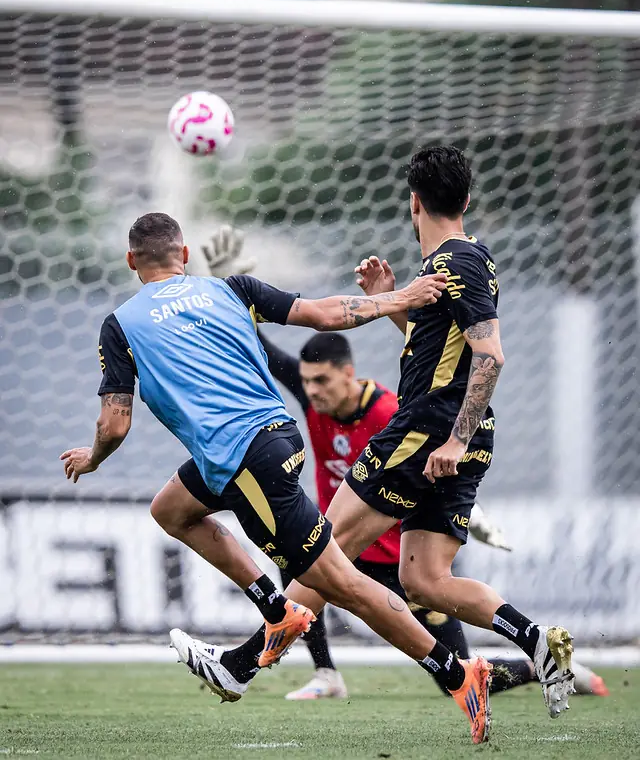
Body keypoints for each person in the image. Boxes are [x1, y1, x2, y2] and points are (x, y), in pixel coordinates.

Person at [60, 211, 493, 744]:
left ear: (131, 261)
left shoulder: (121, 324)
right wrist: (398, 297)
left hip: (244, 460)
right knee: (171, 509)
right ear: (185, 254)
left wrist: (93, 457)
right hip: (271, 440)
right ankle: (274, 610)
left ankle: (457, 675)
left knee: (343, 585)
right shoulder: (229, 288)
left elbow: (115, 423)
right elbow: (322, 313)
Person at [200, 146, 578, 723]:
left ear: (414, 202)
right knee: (423, 581)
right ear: (466, 200)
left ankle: (242, 664)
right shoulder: (464, 261)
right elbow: (441, 351)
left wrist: (454, 439)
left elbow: (490, 356)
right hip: (456, 433)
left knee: (323, 551)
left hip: (428, 431)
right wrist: (397, 302)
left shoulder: (455, 262)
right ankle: (536, 642)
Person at [251, 327, 607, 701]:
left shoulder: (391, 415)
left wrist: (473, 513)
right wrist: (236, 302)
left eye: (321, 380)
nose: (312, 390)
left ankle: (538, 666)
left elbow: (438, 463)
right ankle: (325, 673)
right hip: (345, 548)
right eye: (307, 381)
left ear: (348, 373)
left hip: (398, 563)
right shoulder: (315, 399)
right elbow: (268, 352)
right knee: (298, 553)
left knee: (455, 673)